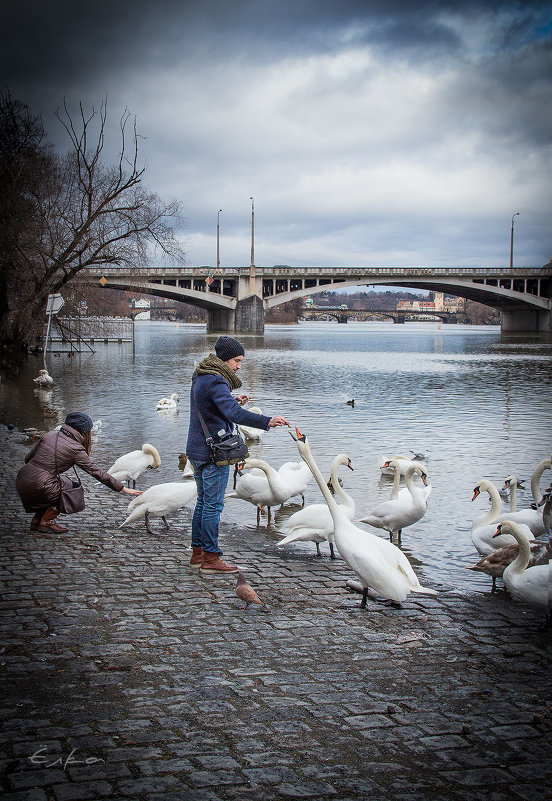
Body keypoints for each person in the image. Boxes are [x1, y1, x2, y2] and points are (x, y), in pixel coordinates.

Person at [186, 335, 290, 573]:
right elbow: (233, 414)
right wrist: (267, 421)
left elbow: (209, 404)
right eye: (236, 360)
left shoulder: (202, 374)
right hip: (214, 452)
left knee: (203, 503)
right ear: (224, 359)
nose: (239, 366)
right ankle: (211, 559)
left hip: (196, 448)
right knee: (213, 506)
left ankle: (197, 552)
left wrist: (232, 399)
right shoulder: (217, 380)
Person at [15, 412, 142, 533]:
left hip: (21, 479)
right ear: (84, 430)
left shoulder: (50, 435)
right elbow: (96, 472)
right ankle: (47, 521)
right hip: (39, 484)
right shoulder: (75, 448)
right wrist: (122, 488)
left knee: (59, 482)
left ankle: (37, 520)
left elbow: (27, 459)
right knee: (71, 488)